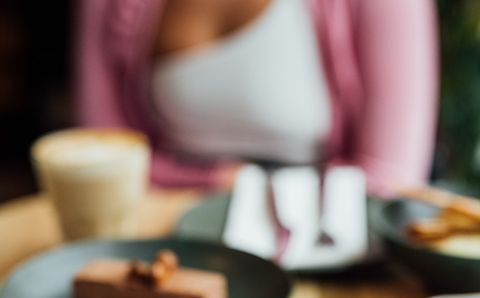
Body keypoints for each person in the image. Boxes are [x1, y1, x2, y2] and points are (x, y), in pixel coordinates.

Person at [74, 0, 438, 196]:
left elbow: (391, 179)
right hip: (165, 227)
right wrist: (217, 182)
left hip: (327, 248)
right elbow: (103, 156)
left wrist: (255, 192)